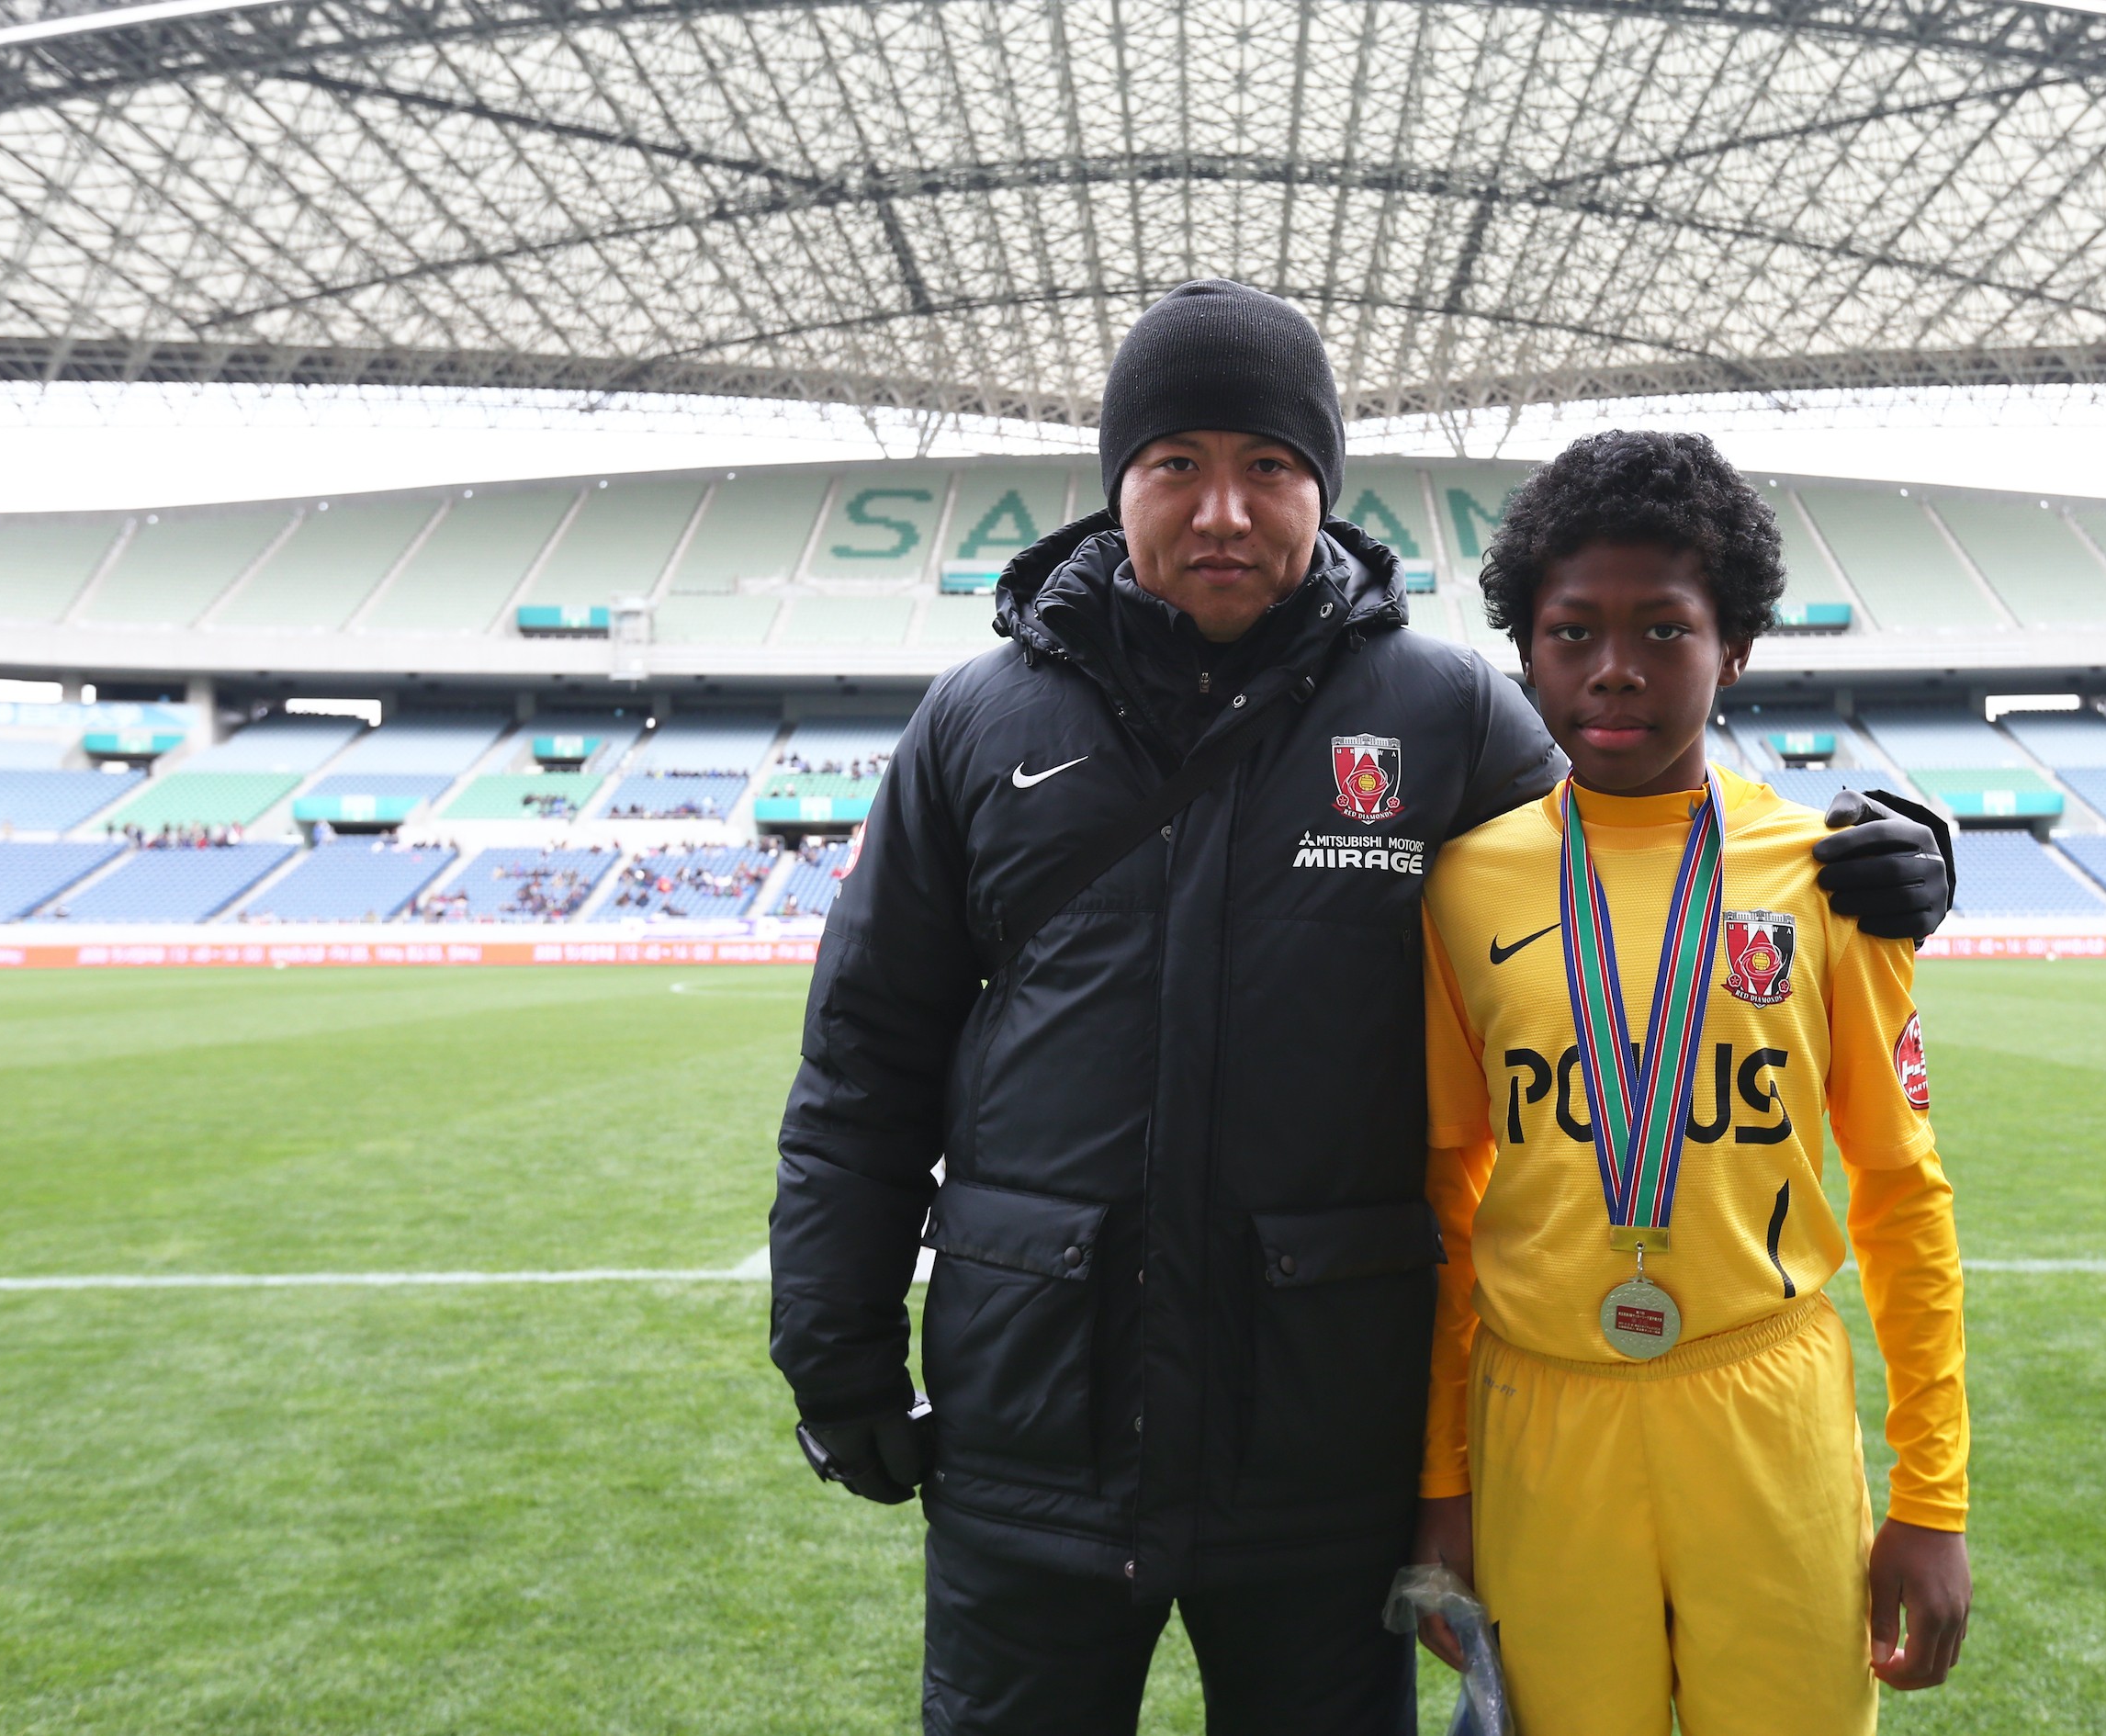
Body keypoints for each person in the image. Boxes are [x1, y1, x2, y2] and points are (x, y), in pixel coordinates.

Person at [766, 282, 1956, 1736]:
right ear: (1113, 486)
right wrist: (833, 1345)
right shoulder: (973, 721)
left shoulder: (1445, 709)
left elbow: (1637, 806)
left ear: (1322, 488)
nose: (1222, 510)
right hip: (1036, 1424)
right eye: (1175, 465)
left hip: (1324, 1443)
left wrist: (1885, 853)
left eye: (1267, 466)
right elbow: (865, 1053)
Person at [1408, 431, 1970, 1736]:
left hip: (1762, 1402)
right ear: (1526, 649)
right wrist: (1443, 1485)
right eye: (1572, 631)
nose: (1615, 667)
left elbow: (1899, 1190)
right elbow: (1444, 1199)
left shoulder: (1833, 876)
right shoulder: (1464, 885)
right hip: (1540, 1415)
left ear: (1738, 648)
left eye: (1665, 629)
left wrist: (1931, 1496)